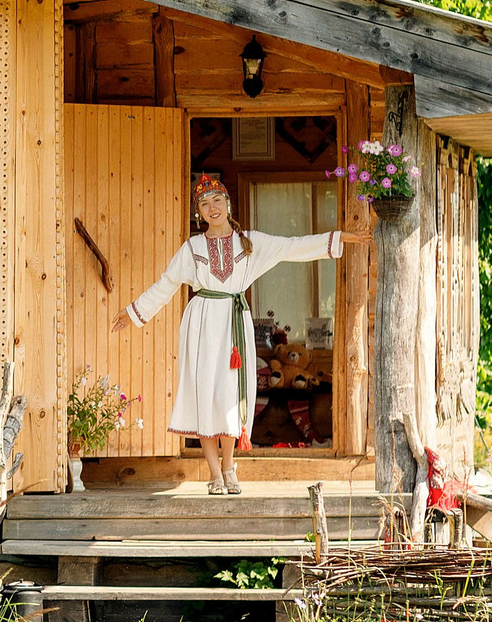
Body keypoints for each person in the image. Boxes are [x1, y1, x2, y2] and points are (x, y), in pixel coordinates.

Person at [110, 173, 368, 495]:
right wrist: (134, 311)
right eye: (204, 204)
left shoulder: (250, 242)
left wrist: (339, 238)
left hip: (234, 323)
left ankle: (230, 466)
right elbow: (167, 283)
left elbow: (291, 246)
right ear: (198, 213)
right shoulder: (192, 248)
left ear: (228, 204)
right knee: (205, 394)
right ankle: (214, 473)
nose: (212, 207)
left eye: (217, 200)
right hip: (202, 323)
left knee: (230, 396)